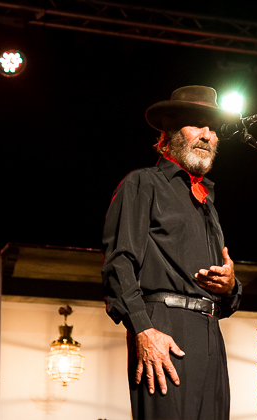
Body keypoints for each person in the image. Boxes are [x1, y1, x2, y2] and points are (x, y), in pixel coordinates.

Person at [101, 85, 243, 420]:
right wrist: (144, 330)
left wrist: (231, 285)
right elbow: (119, 263)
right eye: (197, 125)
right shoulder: (143, 183)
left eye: (213, 129)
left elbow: (227, 293)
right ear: (169, 130)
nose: (207, 135)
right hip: (163, 327)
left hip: (210, 332)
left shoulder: (207, 200)